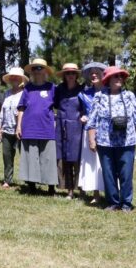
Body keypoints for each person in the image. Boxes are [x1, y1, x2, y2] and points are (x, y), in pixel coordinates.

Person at [85, 66, 136, 212]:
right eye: (116, 76)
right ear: (108, 79)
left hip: (127, 142)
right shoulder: (99, 96)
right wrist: (91, 140)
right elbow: (92, 120)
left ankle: (126, 203)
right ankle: (113, 202)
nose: (119, 79)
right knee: (108, 173)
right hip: (105, 142)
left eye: (121, 76)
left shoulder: (129, 96)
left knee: (126, 174)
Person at [16, 58, 59, 195]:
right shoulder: (27, 88)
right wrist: (18, 126)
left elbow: (60, 106)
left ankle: (51, 187)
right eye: (35, 68)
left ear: (45, 71)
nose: (37, 71)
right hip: (29, 128)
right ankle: (32, 186)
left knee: (48, 158)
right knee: (31, 158)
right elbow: (21, 108)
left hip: (47, 128)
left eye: (40, 68)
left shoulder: (52, 88)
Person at [77, 62, 107, 203]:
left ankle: (110, 192)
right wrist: (82, 116)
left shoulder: (110, 91)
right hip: (89, 132)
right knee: (91, 163)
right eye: (91, 73)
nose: (94, 75)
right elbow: (80, 111)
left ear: (103, 74)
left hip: (107, 133)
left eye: (97, 72)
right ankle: (95, 194)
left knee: (105, 163)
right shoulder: (84, 94)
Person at [54, 63, 85, 199]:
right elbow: (54, 105)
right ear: (64, 75)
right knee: (64, 158)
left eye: (73, 73)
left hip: (78, 126)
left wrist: (85, 116)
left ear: (76, 75)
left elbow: (88, 107)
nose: (70, 75)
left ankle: (82, 189)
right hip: (61, 125)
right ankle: (69, 190)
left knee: (78, 159)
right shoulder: (59, 89)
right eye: (67, 73)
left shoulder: (83, 89)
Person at [0, 67, 26, 189]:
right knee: (7, 156)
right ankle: (7, 180)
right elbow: (2, 112)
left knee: (23, 156)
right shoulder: (7, 93)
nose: (14, 78)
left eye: (17, 77)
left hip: (20, 130)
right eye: (12, 77)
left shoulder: (25, 93)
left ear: (21, 79)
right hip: (6, 129)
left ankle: (27, 181)